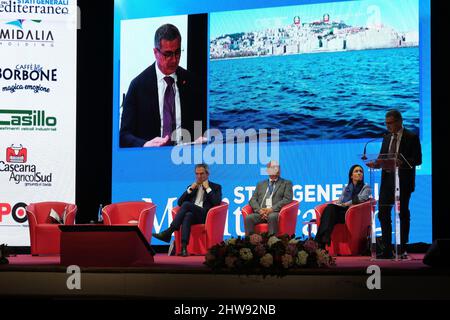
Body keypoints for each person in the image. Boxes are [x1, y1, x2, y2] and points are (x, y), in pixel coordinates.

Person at [119, 23, 205, 148]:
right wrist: (145, 144)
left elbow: (199, 123)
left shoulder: (193, 82)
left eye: (177, 52)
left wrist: (200, 138)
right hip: (152, 159)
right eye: (168, 54)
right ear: (155, 52)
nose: (174, 60)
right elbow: (124, 135)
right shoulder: (137, 86)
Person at [375, 109, 422, 259]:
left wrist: (403, 162)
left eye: (390, 123)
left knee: (403, 214)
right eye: (386, 123)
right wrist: (375, 163)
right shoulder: (386, 138)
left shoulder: (411, 137)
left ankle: (402, 248)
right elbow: (382, 157)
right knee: (382, 214)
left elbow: (418, 160)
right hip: (387, 182)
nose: (388, 126)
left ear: (399, 121)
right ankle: (387, 248)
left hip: (404, 182)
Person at [152, 164, 222, 256]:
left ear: (207, 174)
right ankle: (184, 248)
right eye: (197, 174)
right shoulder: (192, 187)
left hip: (206, 215)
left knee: (186, 205)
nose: (199, 176)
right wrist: (190, 189)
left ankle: (169, 231)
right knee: (187, 215)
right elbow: (180, 203)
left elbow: (216, 202)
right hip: (194, 215)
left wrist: (207, 188)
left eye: (202, 174)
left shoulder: (215, 187)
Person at [315, 164, 372, 249]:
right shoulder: (346, 188)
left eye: (361, 171)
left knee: (330, 210)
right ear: (351, 176)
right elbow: (340, 200)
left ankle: (319, 241)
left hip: (354, 215)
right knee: (330, 208)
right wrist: (338, 204)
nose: (359, 173)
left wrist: (347, 204)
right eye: (356, 171)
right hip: (342, 212)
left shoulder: (366, 187)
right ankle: (324, 238)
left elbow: (362, 198)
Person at [245, 161, 293, 236]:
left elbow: (287, 199)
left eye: (278, 168)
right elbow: (252, 200)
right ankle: (250, 243)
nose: (277, 170)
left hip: (276, 212)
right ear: (268, 170)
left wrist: (272, 209)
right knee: (249, 218)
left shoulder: (286, 183)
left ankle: (272, 243)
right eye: (273, 168)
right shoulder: (260, 184)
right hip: (261, 213)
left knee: (272, 216)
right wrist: (260, 210)